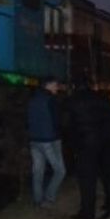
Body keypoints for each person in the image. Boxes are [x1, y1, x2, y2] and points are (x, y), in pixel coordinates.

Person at [66, 77, 110, 219]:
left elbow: (66, 124)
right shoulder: (103, 98)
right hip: (106, 143)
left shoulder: (73, 101)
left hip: (86, 144)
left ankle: (88, 211)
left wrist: (73, 143)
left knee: (87, 179)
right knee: (107, 174)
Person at [26, 76, 66, 208]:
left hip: (34, 141)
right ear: (47, 85)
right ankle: (49, 198)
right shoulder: (51, 100)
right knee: (60, 170)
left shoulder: (32, 100)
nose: (57, 87)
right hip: (50, 140)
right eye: (55, 84)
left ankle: (37, 199)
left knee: (38, 171)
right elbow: (58, 121)